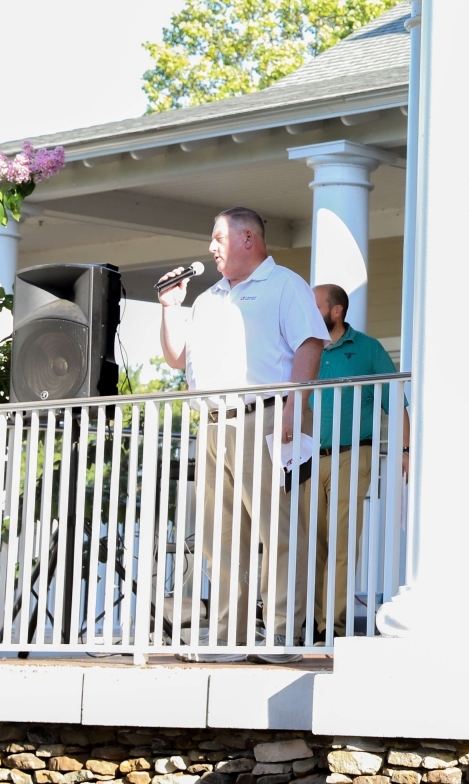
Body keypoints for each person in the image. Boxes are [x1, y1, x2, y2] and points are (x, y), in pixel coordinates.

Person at [157, 207, 328, 660]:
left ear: (247, 238)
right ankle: (230, 637)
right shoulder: (209, 297)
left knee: (279, 531)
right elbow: (177, 358)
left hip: (266, 419)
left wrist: (296, 404)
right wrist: (170, 307)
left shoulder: (284, 284)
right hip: (214, 425)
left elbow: (308, 344)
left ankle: (281, 636)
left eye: (218, 238)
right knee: (220, 536)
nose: (211, 248)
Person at [295, 283, 402, 639]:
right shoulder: (304, 347)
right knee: (309, 542)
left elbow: (396, 402)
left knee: (341, 543)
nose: (308, 312)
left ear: (336, 311)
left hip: (353, 455)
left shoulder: (368, 349)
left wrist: (404, 451)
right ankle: (306, 622)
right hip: (308, 456)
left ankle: (332, 627)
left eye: (315, 306)